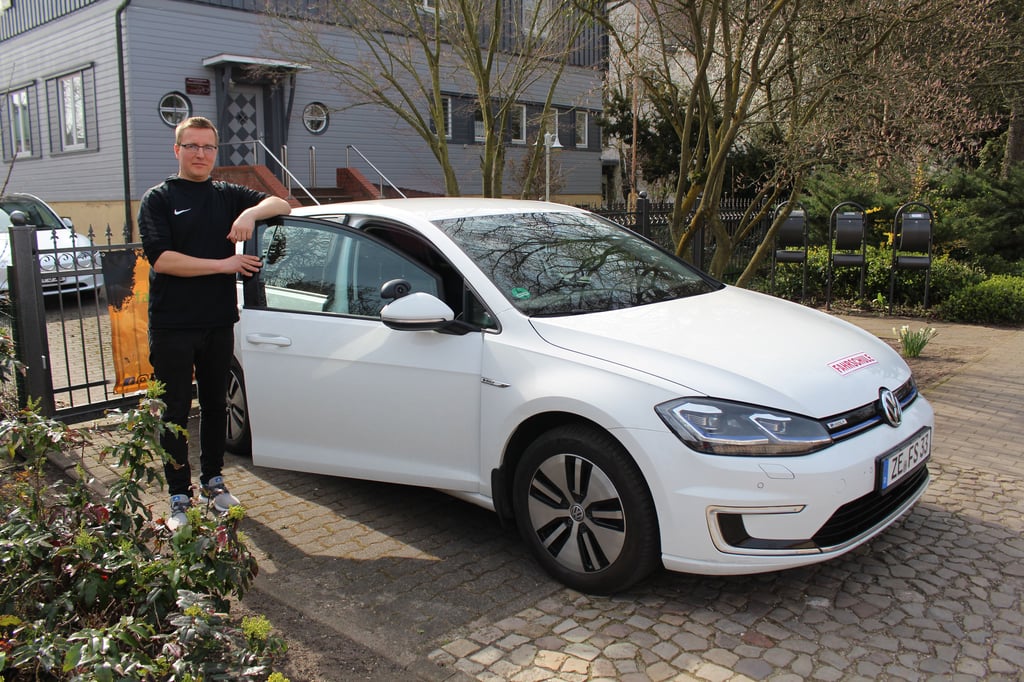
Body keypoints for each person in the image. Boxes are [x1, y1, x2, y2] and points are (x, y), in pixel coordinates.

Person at [138, 116, 292, 529]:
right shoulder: (159, 198)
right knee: (173, 411)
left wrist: (252, 215)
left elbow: (283, 203)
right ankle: (177, 494)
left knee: (214, 405)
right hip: (173, 324)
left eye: (208, 147)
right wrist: (224, 264)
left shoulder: (226, 194)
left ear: (215, 152)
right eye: (192, 146)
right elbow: (163, 259)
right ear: (177, 150)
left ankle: (213, 480)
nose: (200, 154)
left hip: (218, 320)